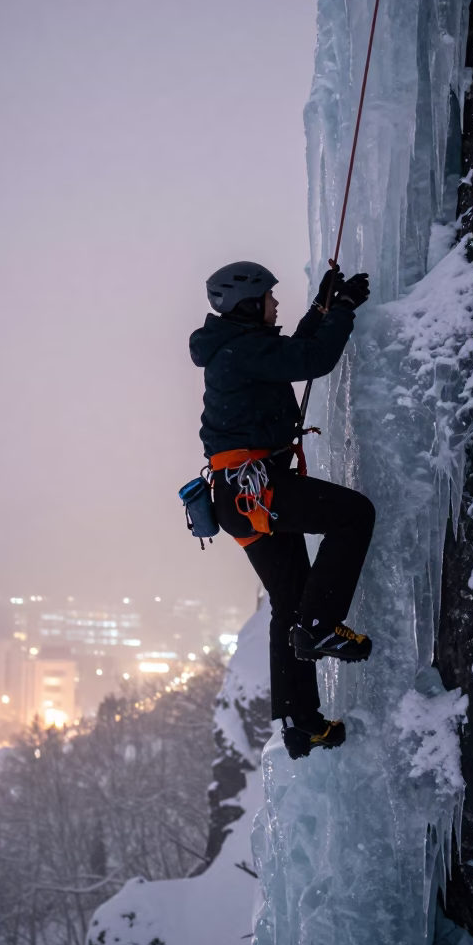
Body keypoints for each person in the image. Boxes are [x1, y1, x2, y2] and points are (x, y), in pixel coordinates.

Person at [189, 261, 376, 760]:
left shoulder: (238, 349)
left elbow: (291, 351)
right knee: (353, 516)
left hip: (240, 495)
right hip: (256, 488)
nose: (276, 305)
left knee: (288, 599)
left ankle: (300, 722)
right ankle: (320, 625)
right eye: (269, 298)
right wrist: (345, 312)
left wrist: (325, 305)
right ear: (248, 304)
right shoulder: (240, 351)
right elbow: (312, 359)